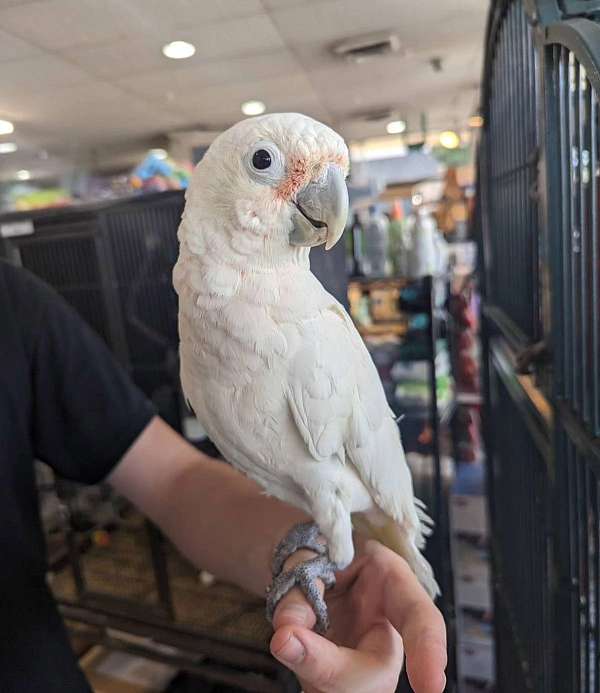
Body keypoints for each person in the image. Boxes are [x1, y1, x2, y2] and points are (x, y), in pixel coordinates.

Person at [0, 259, 446, 693]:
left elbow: (175, 478)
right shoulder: (198, 346)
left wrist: (316, 554)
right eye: (262, 174)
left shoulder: (15, 307)